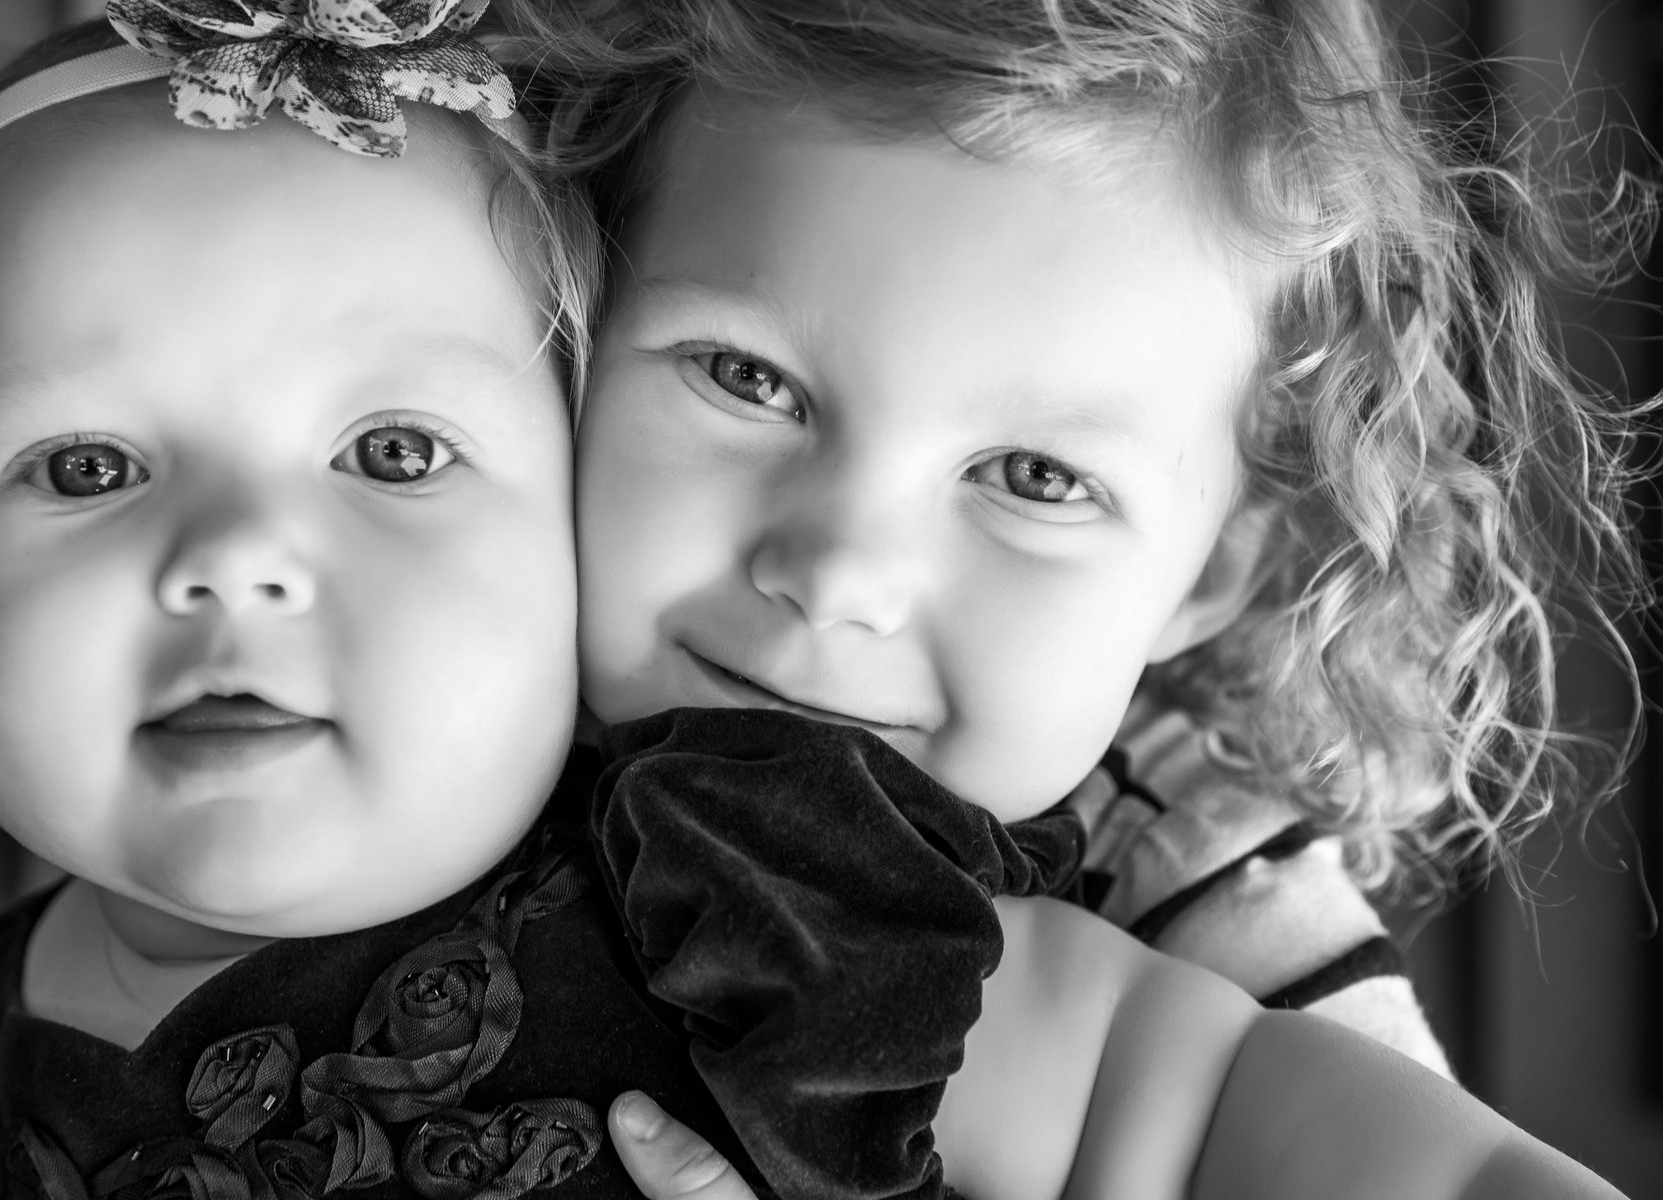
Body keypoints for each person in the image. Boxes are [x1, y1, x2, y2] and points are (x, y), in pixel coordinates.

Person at [518, 0, 1649, 1194]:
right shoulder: (433, 659)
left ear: (1210, 573)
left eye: (1035, 479)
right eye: (746, 378)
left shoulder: (1202, 912)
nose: (839, 576)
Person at [0, 4, 757, 1195]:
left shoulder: (749, 940)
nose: (237, 556)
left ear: (583, 521)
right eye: (88, 467)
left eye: (394, 452)